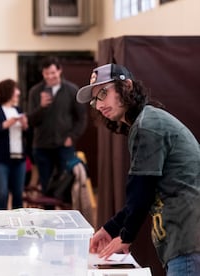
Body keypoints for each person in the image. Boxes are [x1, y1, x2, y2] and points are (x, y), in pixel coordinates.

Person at [76, 63, 200, 275]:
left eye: (104, 93)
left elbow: (141, 190)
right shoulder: (147, 121)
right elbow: (145, 193)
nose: (98, 105)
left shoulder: (147, 125)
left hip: (189, 239)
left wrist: (126, 235)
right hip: (184, 239)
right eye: (95, 99)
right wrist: (110, 228)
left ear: (127, 86)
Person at [27, 56, 87, 193]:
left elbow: (81, 118)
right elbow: (31, 121)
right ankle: (48, 213)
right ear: (42, 73)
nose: (50, 76)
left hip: (64, 145)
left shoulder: (72, 90)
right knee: (45, 185)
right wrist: (41, 107)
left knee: (66, 184)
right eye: (46, 73)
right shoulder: (35, 92)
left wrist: (72, 136)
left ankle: (66, 213)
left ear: (59, 71)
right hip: (42, 146)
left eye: (53, 73)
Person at [0, 79, 28, 210]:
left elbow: (26, 134)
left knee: (18, 194)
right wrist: (7, 124)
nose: (18, 92)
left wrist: (25, 126)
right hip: (0, 159)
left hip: (19, 158)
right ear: (8, 91)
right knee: (2, 193)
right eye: (16, 89)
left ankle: (17, 226)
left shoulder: (18, 109)